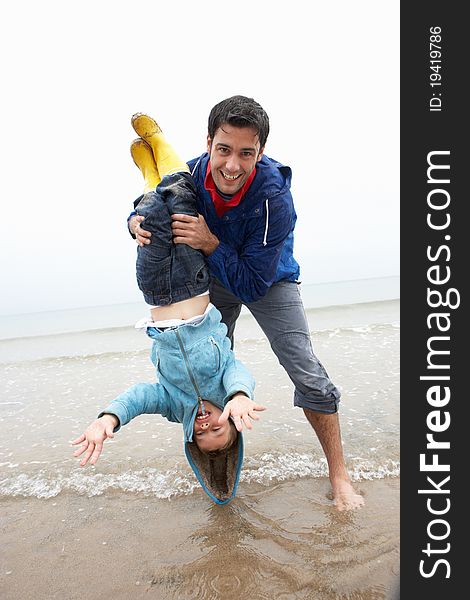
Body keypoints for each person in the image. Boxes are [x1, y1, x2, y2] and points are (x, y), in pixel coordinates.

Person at [129, 97, 364, 511]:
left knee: (310, 378)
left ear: (260, 153)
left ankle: (340, 476)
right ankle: (221, 465)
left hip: (268, 279)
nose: (232, 165)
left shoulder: (274, 198)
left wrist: (210, 243)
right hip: (213, 279)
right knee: (208, 376)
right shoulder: (193, 173)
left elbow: (253, 284)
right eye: (224, 149)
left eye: (246, 153)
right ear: (208, 143)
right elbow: (156, 197)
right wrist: (132, 223)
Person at [72, 114, 266, 504]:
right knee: (180, 202)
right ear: (233, 424)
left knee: (151, 218)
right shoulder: (228, 387)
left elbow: (138, 397)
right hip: (196, 287)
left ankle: (148, 175)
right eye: (219, 430)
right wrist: (241, 396)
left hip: (157, 294)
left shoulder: (174, 405)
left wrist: (106, 420)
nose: (205, 426)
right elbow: (238, 372)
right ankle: (159, 146)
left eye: (201, 435)